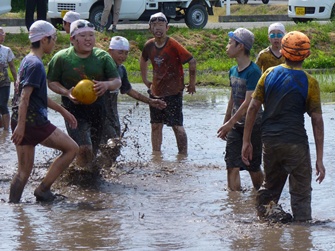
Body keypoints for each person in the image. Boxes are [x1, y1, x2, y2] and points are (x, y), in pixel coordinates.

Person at [242, 31, 326, 222]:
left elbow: (253, 107)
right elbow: (317, 121)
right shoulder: (310, 82)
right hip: (296, 144)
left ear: (283, 51)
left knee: (270, 187)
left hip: (270, 142)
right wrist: (319, 158)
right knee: (301, 193)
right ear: (307, 55)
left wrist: (246, 141)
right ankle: (301, 233)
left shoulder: (268, 74)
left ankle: (267, 223)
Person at [9, 20, 79, 203]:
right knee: (72, 148)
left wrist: (63, 111)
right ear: (44, 40)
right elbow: (25, 97)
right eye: (54, 39)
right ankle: (43, 189)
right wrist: (23, 127)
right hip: (33, 123)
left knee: (23, 171)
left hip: (22, 120)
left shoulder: (27, 60)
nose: (54, 43)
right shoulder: (36, 65)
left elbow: (37, 97)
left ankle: (13, 207)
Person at [47, 19, 121, 168]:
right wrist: (66, 92)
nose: (88, 39)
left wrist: (106, 85)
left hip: (98, 108)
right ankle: (81, 177)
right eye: (82, 35)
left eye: (91, 35)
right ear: (72, 39)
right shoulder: (61, 58)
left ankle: (90, 175)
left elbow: (117, 81)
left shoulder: (103, 57)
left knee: (96, 148)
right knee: (84, 147)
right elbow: (51, 82)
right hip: (73, 110)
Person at [140, 12, 196, 155]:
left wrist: (192, 83)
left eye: (161, 25)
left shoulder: (173, 45)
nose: (158, 28)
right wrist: (145, 79)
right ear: (150, 28)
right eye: (154, 25)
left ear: (167, 28)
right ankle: (156, 155)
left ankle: (183, 155)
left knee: (177, 126)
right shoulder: (149, 45)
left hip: (173, 91)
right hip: (156, 92)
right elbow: (143, 59)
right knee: (155, 125)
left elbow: (192, 61)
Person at [217, 28, 263, 191]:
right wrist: (226, 121)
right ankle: (235, 206)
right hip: (236, 126)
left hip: (253, 125)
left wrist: (230, 122)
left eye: (230, 43)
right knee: (231, 165)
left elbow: (248, 103)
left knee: (252, 166)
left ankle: (263, 196)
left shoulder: (254, 72)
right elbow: (233, 98)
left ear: (240, 46)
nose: (227, 46)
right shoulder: (233, 71)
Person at [102, 35, 166, 142]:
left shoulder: (121, 70)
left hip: (113, 116)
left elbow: (129, 91)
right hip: (99, 115)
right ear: (110, 51)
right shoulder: (100, 68)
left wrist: (151, 101)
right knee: (109, 145)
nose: (123, 56)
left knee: (114, 146)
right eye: (120, 52)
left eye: (126, 53)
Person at [0, 27, 17, 131]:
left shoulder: (7, 50)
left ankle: (6, 132)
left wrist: (16, 80)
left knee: (2, 104)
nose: (2, 36)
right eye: (0, 34)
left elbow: (12, 67)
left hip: (4, 82)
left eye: (3, 34)